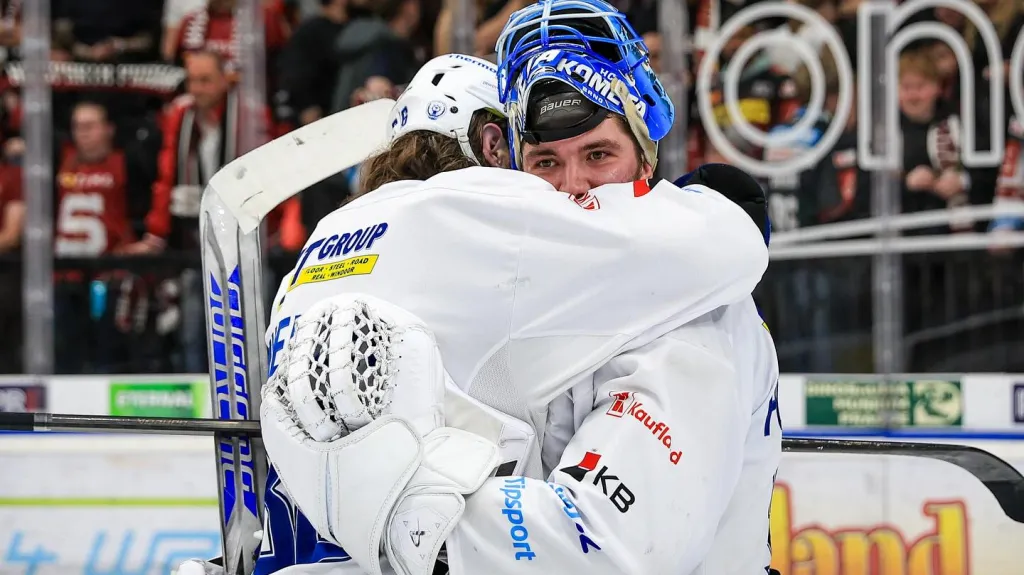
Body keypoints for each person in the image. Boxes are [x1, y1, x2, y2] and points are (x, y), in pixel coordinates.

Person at [181, 5, 775, 574]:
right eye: (543, 163)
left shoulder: (326, 239)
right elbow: (730, 241)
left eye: (599, 154)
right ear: (498, 153)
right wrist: (721, 202)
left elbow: (618, 544)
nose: (571, 190)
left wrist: (408, 521)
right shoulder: (506, 224)